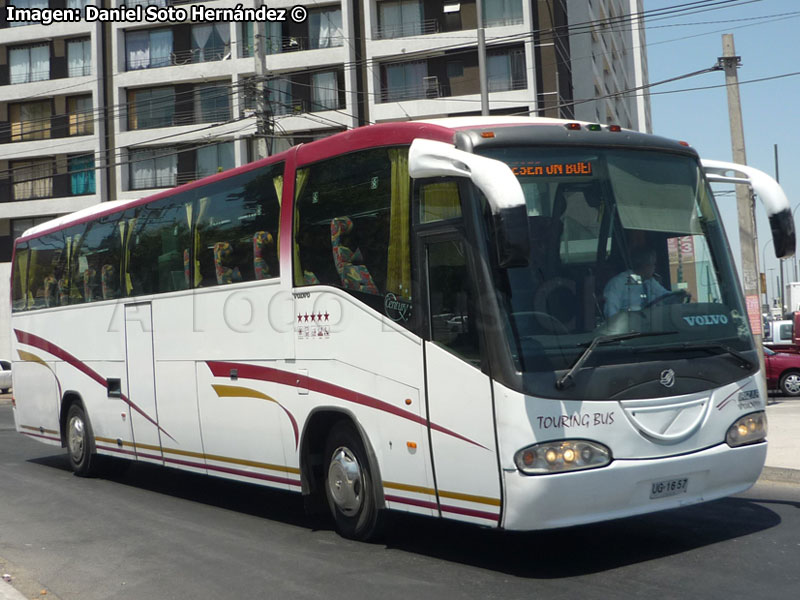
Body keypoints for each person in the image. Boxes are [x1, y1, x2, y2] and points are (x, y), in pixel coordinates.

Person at [603, 249, 671, 318]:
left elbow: (666, 296)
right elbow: (611, 311)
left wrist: (678, 296)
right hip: (628, 325)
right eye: (653, 264)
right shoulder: (619, 282)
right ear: (645, 266)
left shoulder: (649, 281)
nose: (654, 268)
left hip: (651, 324)